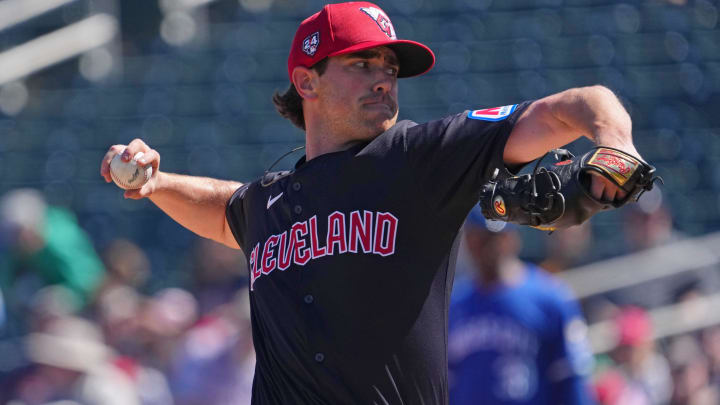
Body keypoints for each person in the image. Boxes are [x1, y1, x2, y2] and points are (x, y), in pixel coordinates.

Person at [99, 2, 644, 403]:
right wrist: (157, 182)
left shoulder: (421, 158)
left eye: (389, 66)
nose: (384, 77)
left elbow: (578, 105)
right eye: (361, 63)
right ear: (305, 81)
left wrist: (615, 145)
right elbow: (225, 208)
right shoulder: (269, 202)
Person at [448, 208, 595, 404]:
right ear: (467, 241)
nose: (487, 248)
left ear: (512, 238)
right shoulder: (454, 305)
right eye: (479, 238)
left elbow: (572, 376)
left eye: (494, 238)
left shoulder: (550, 297)